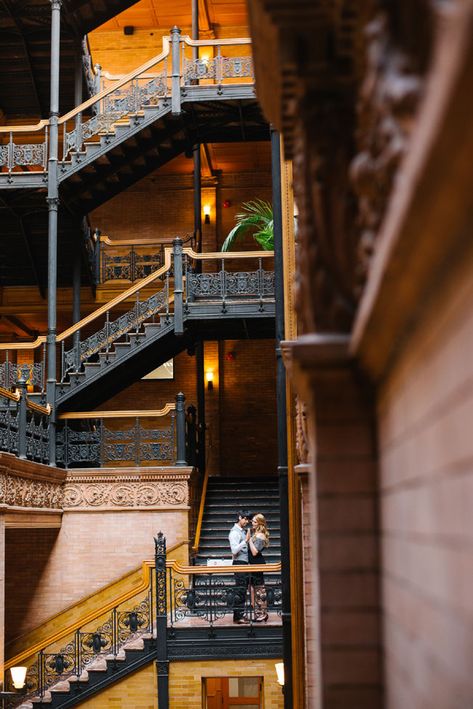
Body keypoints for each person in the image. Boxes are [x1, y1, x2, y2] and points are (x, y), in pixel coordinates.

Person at [228, 510, 251, 624]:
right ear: (239, 517)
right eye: (245, 519)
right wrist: (245, 541)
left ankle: (240, 615)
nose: (247, 521)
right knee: (240, 590)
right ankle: (237, 617)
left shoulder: (242, 531)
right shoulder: (234, 532)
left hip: (244, 563)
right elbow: (234, 550)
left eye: (248, 519)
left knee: (242, 590)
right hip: (239, 563)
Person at [248, 513, 269, 622]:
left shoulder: (260, 535)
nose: (252, 523)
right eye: (252, 521)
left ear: (260, 523)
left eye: (255, 521)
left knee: (259, 589)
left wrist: (249, 540)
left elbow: (255, 552)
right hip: (253, 564)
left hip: (257, 563)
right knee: (253, 589)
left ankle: (263, 613)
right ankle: (257, 612)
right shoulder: (256, 534)